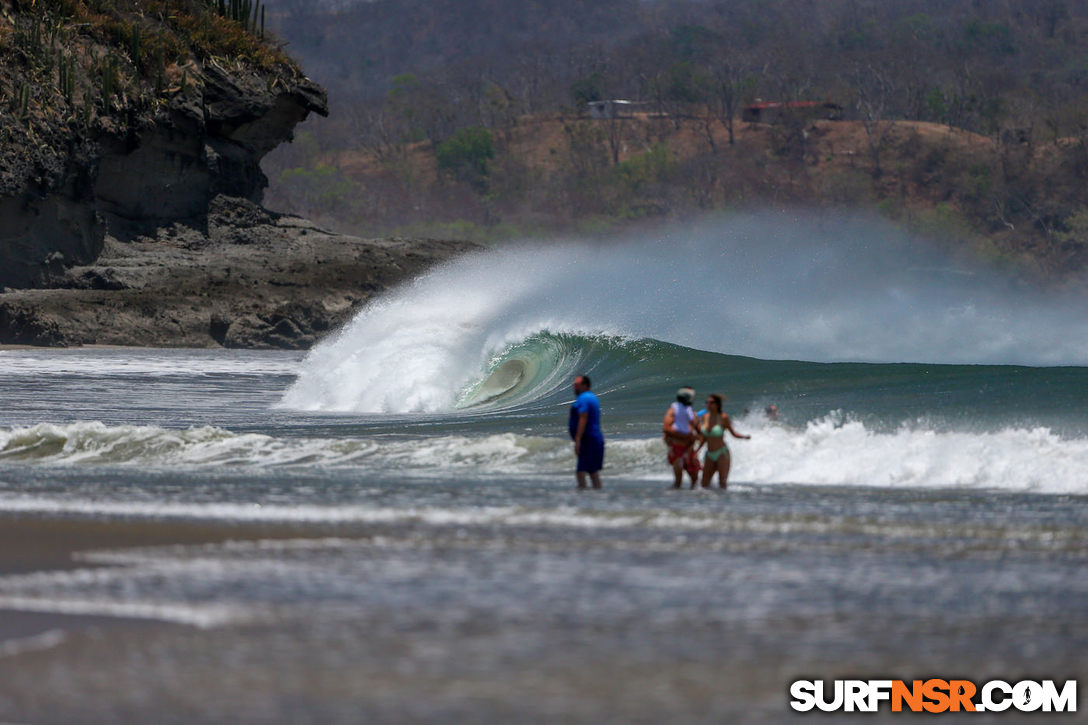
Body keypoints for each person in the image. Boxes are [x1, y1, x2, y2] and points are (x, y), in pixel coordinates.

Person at [699, 393, 750, 490]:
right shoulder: (704, 417)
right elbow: (704, 438)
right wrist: (696, 450)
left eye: (711, 403)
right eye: (707, 402)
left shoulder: (723, 417)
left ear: (717, 404)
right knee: (704, 484)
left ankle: (724, 504)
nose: (708, 405)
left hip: (722, 453)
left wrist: (744, 437)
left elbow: (733, 434)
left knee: (722, 483)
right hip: (709, 454)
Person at [569, 374, 604, 489]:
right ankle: (597, 497)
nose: (574, 387)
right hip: (595, 438)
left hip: (588, 439)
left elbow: (583, 416)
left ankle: (582, 499)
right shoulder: (592, 397)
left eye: (577, 385)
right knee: (592, 472)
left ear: (585, 385)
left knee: (581, 472)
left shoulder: (583, 398)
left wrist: (578, 439)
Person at [663, 386, 701, 489]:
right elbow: (666, 428)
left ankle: (690, 503)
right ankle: (675, 503)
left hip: (689, 450)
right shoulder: (673, 411)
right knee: (678, 482)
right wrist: (685, 435)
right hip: (677, 449)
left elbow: (699, 432)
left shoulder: (690, 413)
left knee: (695, 481)